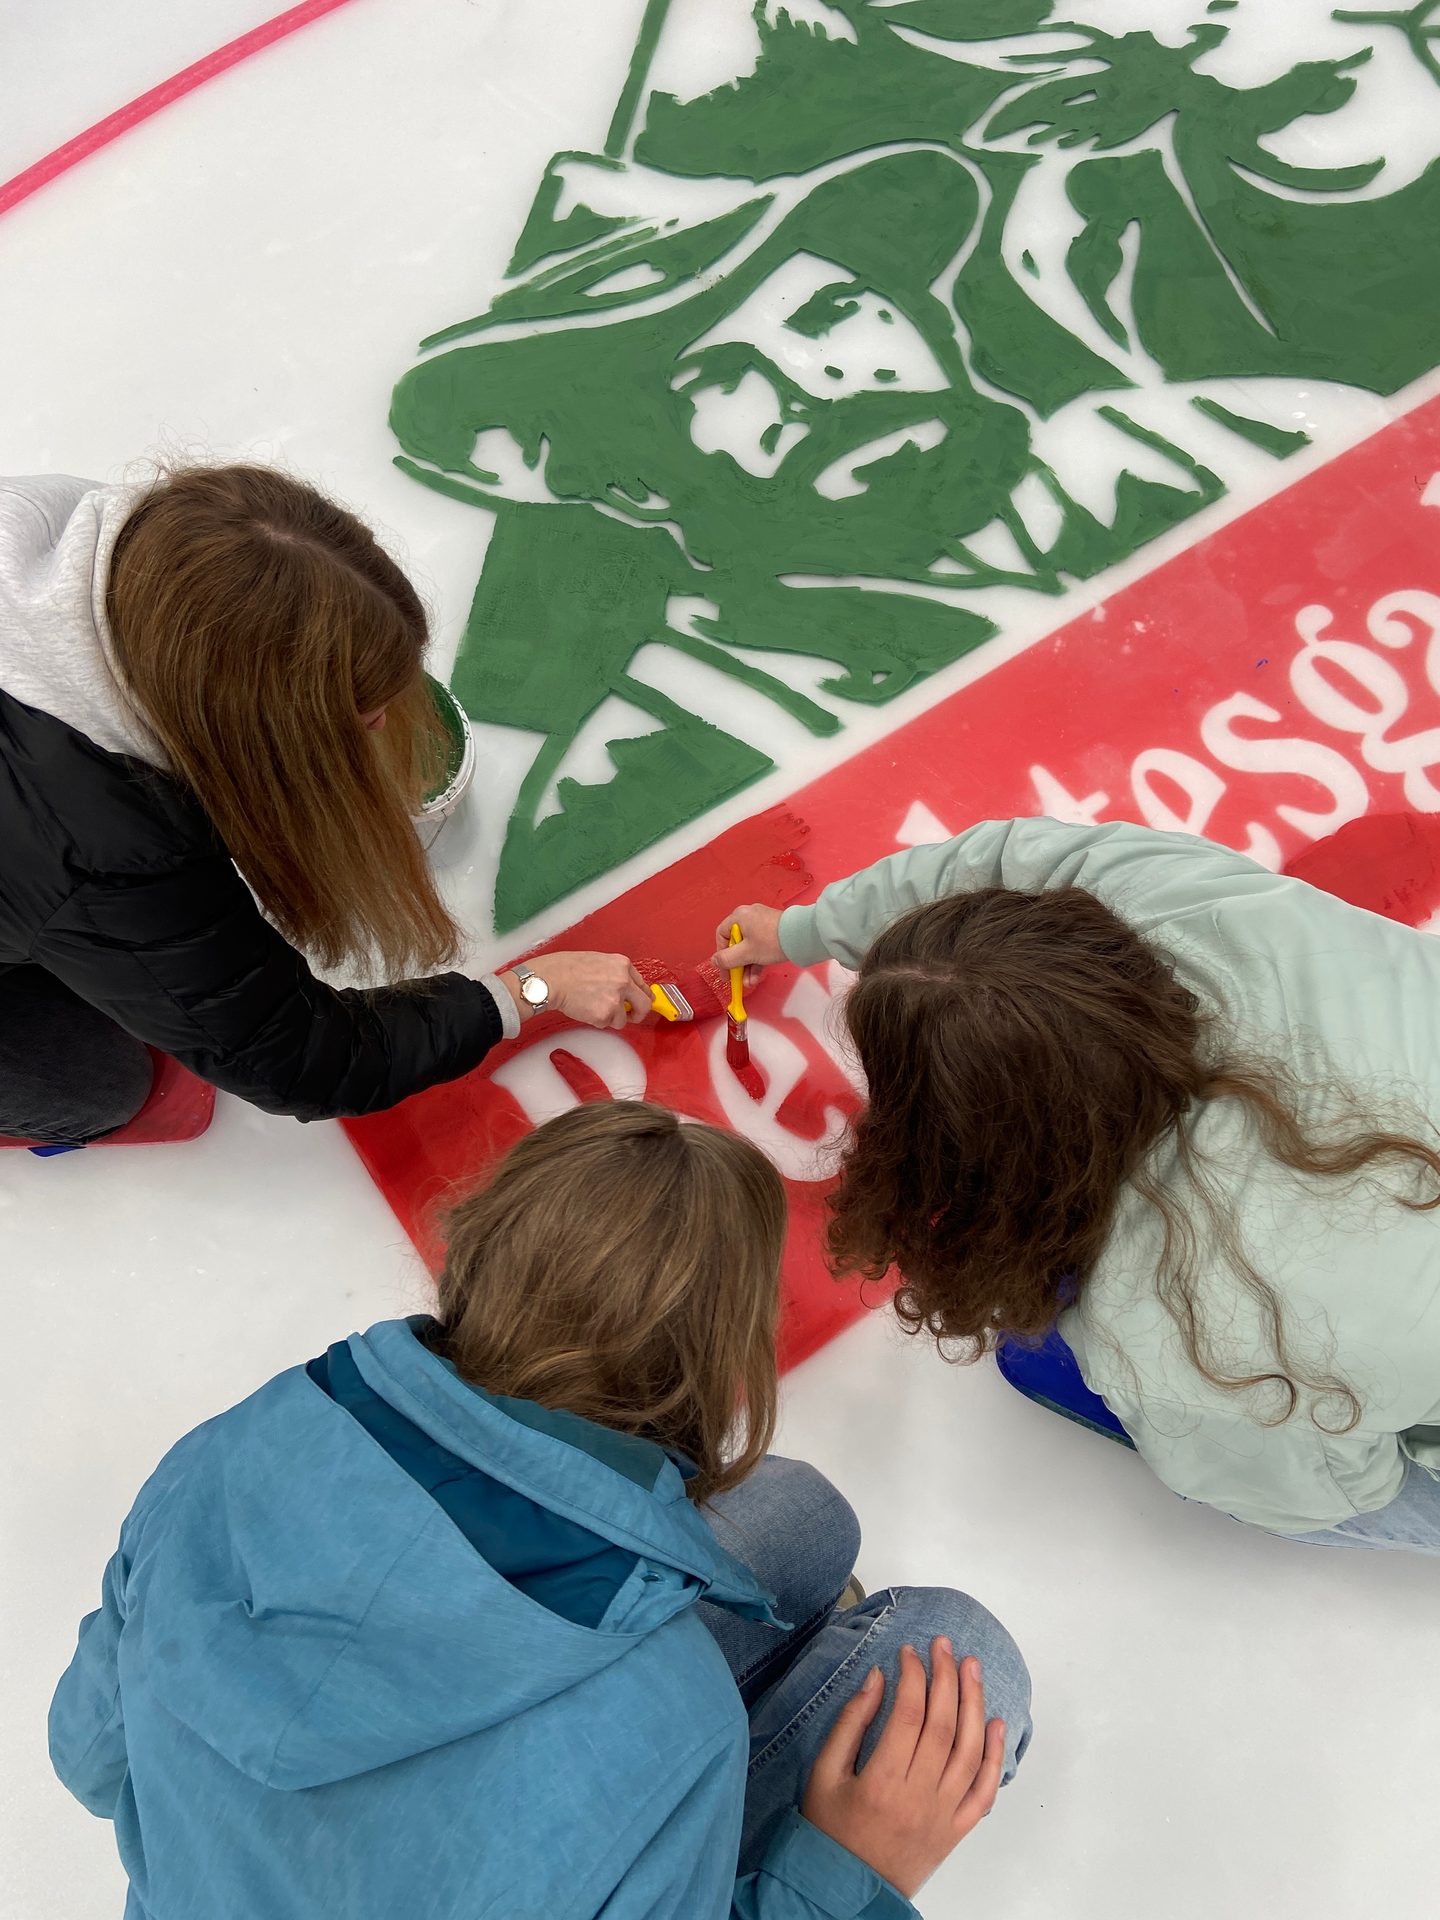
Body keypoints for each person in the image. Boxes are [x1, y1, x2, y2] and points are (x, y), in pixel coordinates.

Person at [49, 1100, 1031, 1918]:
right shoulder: (679, 1728)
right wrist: (845, 1874)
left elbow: (90, 1757)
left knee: (802, 1514)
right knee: (964, 1655)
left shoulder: (224, 1456)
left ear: (484, 1246)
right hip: (628, 1743)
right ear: (720, 1363)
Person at [719, 816, 1440, 1553]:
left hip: (1288, 1367)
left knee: (1256, 1444)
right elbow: (1000, 856)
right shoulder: (1167, 889)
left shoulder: (1191, 1332)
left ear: (992, 1140)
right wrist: (803, 929)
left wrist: (1185, 1408)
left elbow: (1318, 1489)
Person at [0, 466, 646, 1144]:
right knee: (99, 1085)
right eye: (356, 719)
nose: (382, 726)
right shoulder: (107, 849)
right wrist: (530, 990)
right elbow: (306, 1061)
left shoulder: (77, 528)